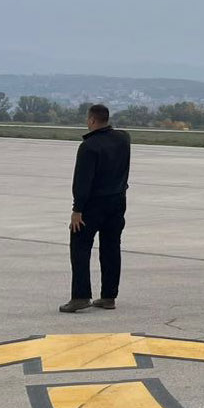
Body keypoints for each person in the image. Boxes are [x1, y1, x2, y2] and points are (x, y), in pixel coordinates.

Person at [60, 104, 131, 313]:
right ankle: (109, 296)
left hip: (93, 205)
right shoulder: (124, 139)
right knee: (111, 248)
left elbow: (82, 182)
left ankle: (81, 296)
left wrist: (77, 210)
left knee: (80, 248)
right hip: (117, 202)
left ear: (91, 120)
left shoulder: (89, 147)